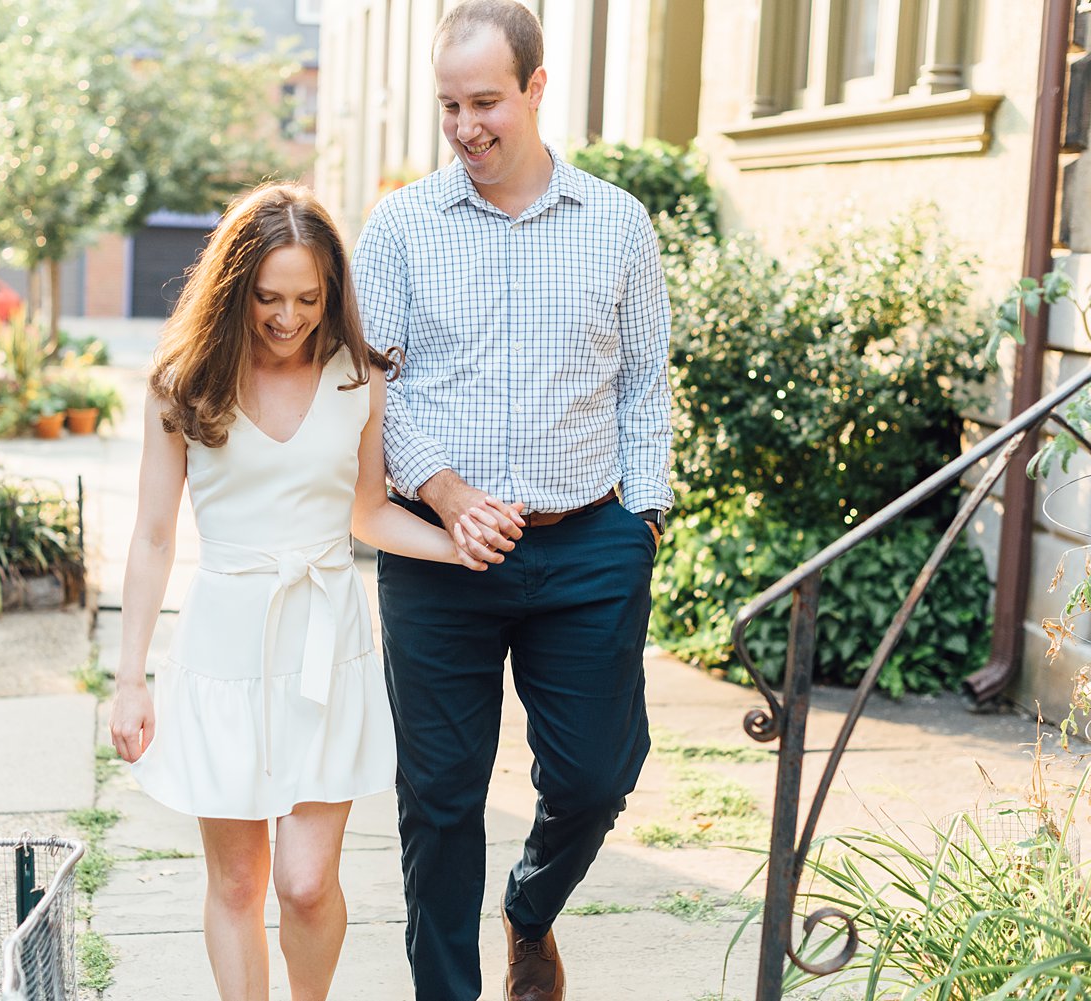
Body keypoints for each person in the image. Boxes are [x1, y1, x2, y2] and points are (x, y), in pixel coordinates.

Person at [108, 182, 511, 1001]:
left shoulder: (360, 377)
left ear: (331, 292)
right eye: (267, 298)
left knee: (303, 881)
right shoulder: (182, 383)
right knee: (236, 882)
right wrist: (129, 676)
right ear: (234, 288)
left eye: (306, 297)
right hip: (224, 643)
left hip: (327, 645)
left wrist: (459, 546)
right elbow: (153, 536)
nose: (287, 317)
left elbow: (367, 512)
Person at [349, 2, 674, 999]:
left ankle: (529, 909)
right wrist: (443, 494)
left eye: (485, 101)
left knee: (595, 777)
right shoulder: (402, 225)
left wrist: (641, 525)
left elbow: (644, 389)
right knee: (439, 802)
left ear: (536, 88)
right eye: (449, 105)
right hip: (437, 560)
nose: (466, 125)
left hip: (587, 543)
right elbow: (372, 391)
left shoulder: (617, 222)